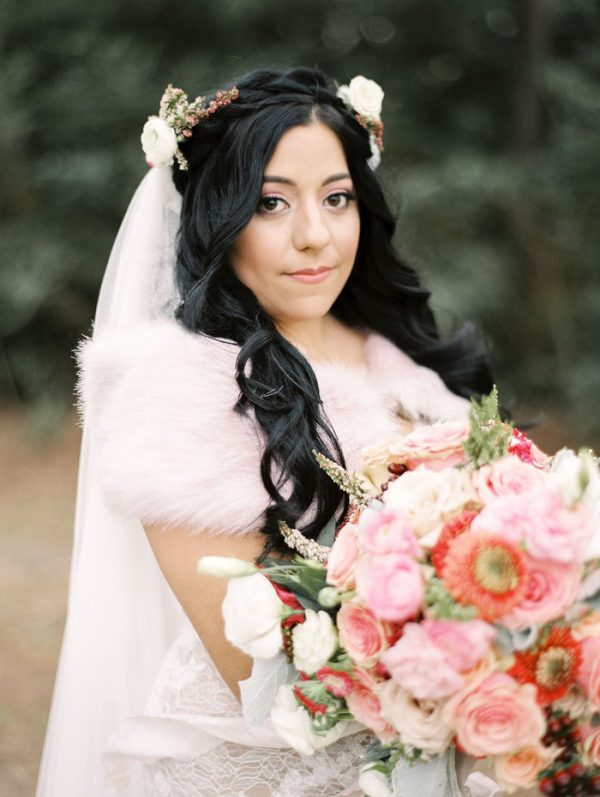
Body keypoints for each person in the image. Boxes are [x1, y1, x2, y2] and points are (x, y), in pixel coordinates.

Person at [36, 67, 493, 797]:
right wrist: (496, 662)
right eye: (271, 202)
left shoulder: (407, 360)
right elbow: (259, 665)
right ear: (215, 214)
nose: (315, 236)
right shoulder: (177, 395)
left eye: (337, 198)